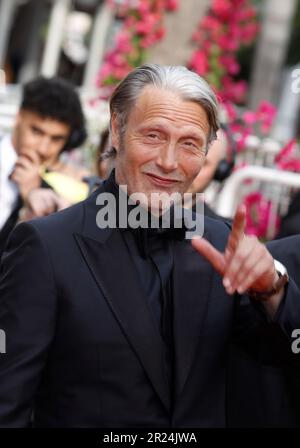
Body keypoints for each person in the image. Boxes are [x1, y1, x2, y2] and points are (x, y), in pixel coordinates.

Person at [0, 64, 299, 428]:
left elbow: (284, 370)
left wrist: (274, 290)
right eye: (153, 136)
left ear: (207, 153)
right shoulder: (46, 247)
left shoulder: (221, 245)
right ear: (117, 129)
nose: (168, 162)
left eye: (189, 143)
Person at [0, 76, 88, 258]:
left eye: (56, 139)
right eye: (36, 131)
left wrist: (30, 199)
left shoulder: (56, 197)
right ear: (19, 117)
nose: (43, 148)